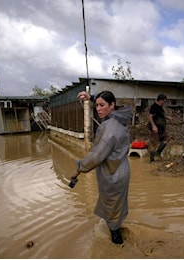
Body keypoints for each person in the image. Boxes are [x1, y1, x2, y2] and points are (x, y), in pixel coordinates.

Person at [72, 90, 133, 245]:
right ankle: (116, 231)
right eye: (96, 105)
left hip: (113, 176)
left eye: (102, 105)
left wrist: (80, 167)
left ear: (112, 105)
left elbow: (96, 156)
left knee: (112, 210)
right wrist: (91, 97)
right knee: (116, 206)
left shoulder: (109, 127)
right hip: (122, 170)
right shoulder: (120, 119)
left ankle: (117, 245)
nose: (98, 109)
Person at [147, 94, 173, 162]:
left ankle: (158, 153)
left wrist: (168, 117)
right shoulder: (154, 106)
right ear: (160, 100)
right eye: (164, 101)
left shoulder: (160, 107)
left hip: (161, 129)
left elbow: (161, 115)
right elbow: (150, 116)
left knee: (166, 139)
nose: (164, 102)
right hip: (155, 129)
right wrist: (153, 126)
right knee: (154, 144)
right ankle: (152, 160)